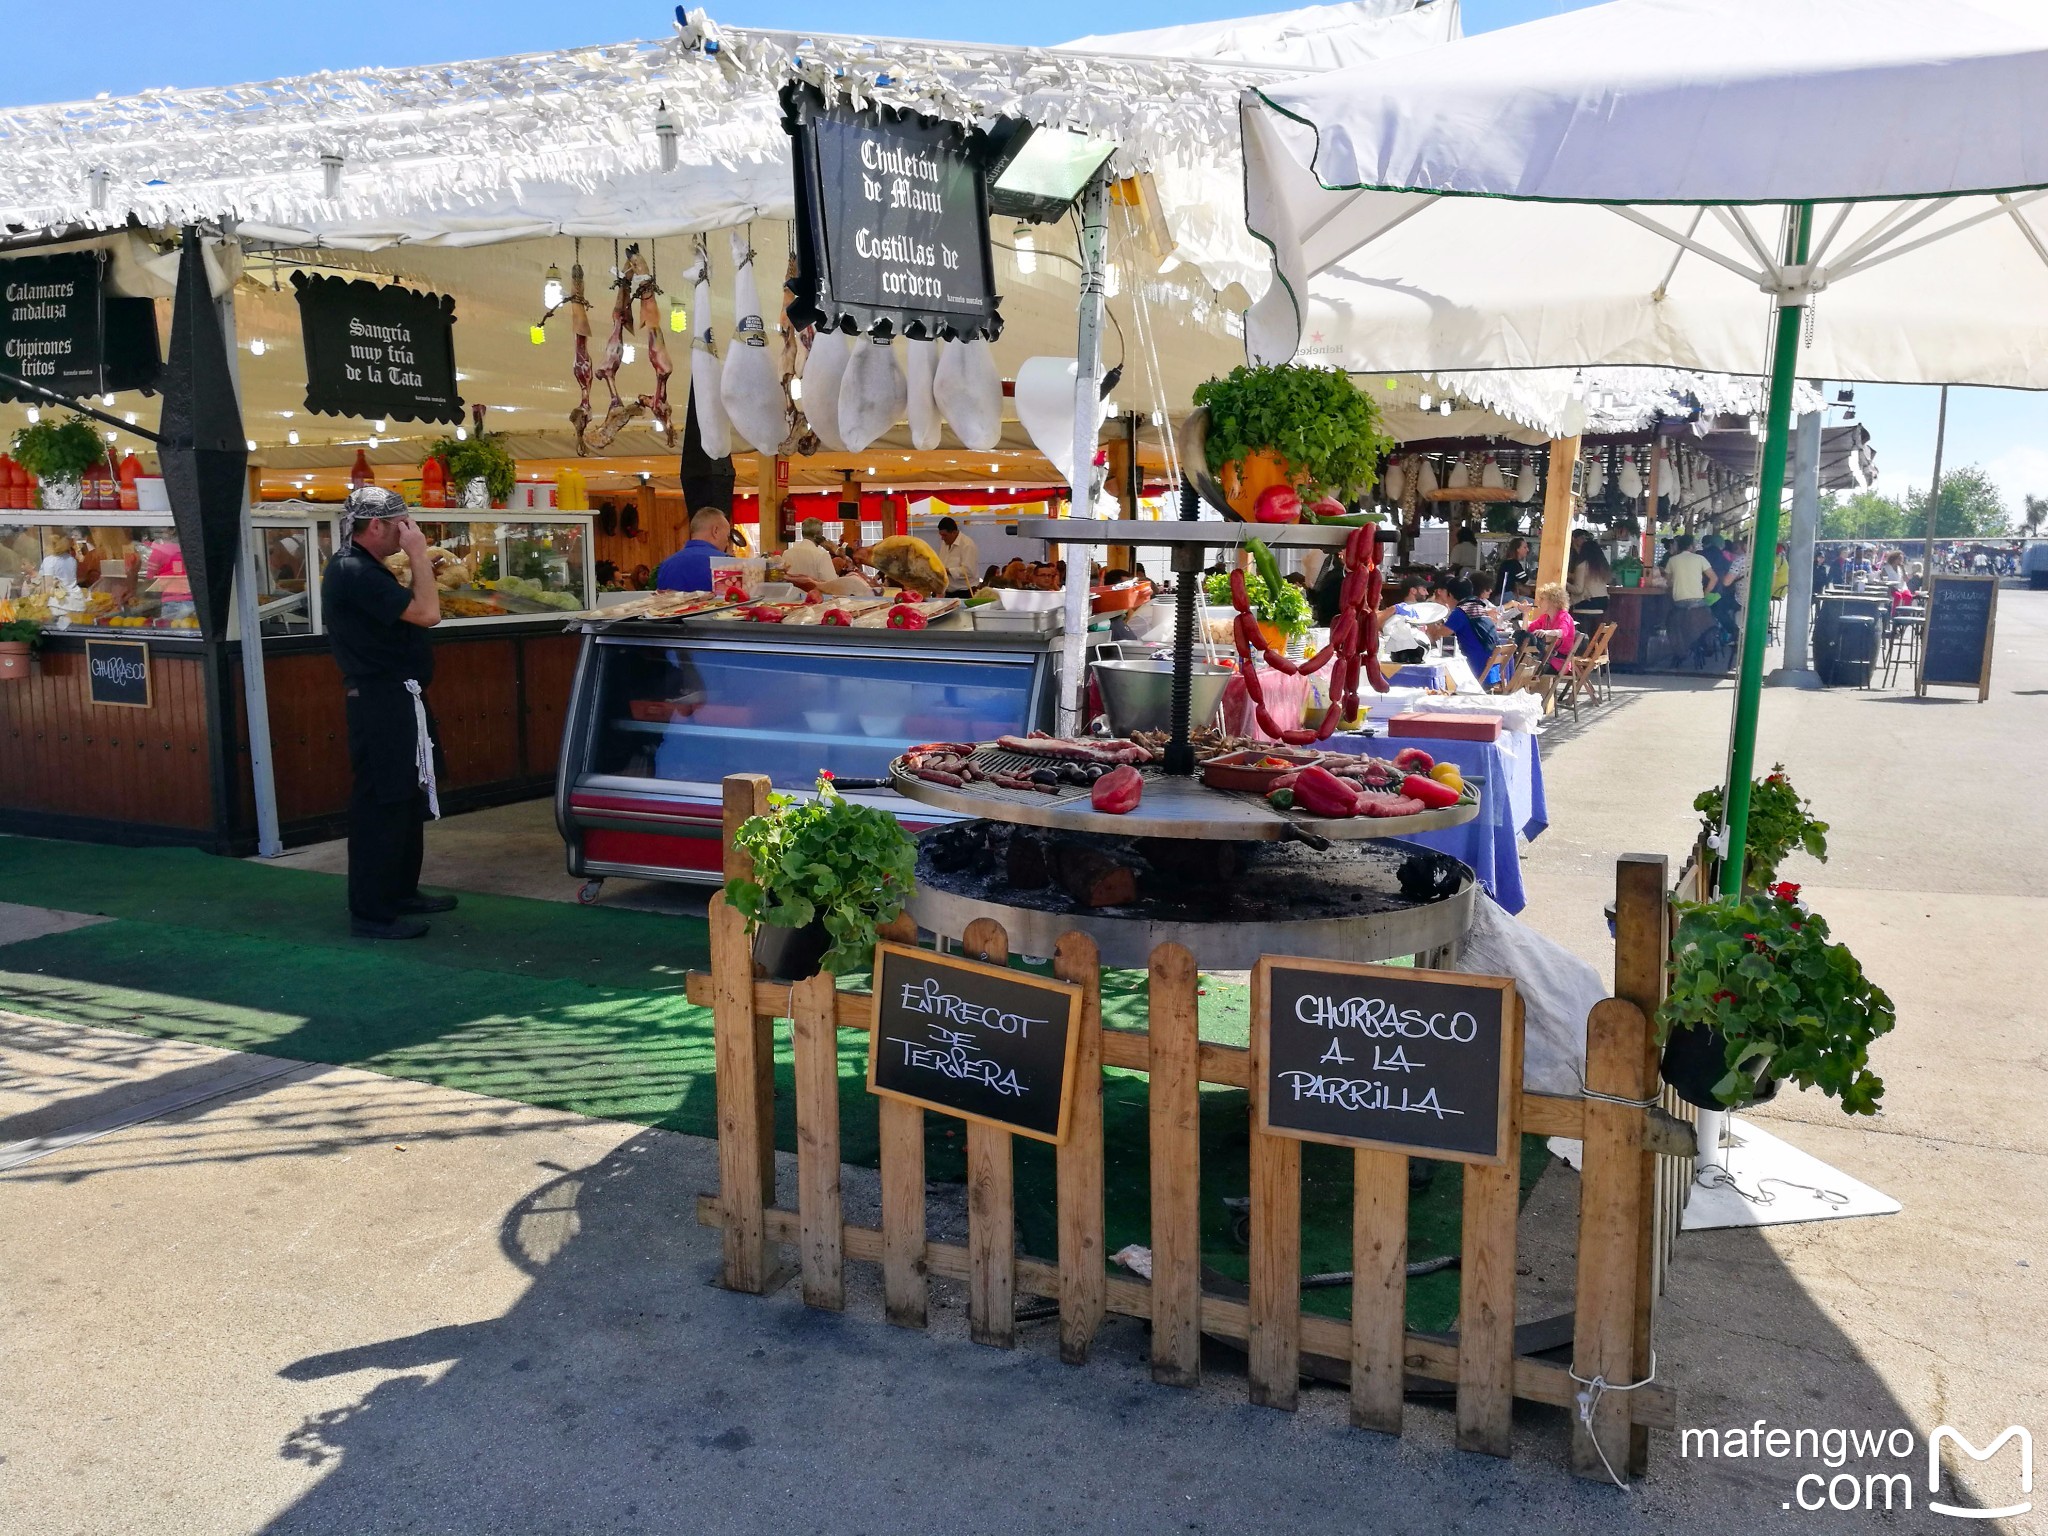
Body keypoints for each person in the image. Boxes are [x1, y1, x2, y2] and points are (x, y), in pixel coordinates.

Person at [321, 486, 453, 941]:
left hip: (398, 697)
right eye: (402, 524)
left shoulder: (364, 566)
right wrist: (418, 554)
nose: (408, 531)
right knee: (382, 803)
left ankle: (399, 892)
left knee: (406, 798)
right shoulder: (353, 570)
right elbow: (429, 613)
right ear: (375, 525)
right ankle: (371, 912)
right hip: (380, 702)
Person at [654, 506, 731, 592]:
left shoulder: (666, 565)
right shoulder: (727, 564)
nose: (727, 543)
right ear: (715, 531)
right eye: (727, 536)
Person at [1527, 581, 1577, 673]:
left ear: (1553, 601)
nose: (1539, 602)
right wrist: (1525, 613)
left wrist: (1546, 632)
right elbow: (1528, 629)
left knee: (1524, 669)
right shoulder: (1545, 618)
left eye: (1542, 599)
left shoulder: (1564, 616)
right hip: (1545, 659)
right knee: (1519, 663)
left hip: (1558, 663)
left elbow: (1562, 632)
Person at [779, 517, 838, 587]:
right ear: (817, 536)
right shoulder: (822, 555)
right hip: (815, 592)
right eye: (822, 534)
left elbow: (782, 579)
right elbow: (831, 584)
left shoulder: (787, 553)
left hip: (792, 593)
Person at [1663, 534, 1717, 609]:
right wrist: (1704, 594)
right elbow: (1714, 578)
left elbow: (1667, 580)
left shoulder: (1672, 560)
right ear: (1691, 546)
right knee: (1710, 614)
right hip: (1697, 600)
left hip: (1679, 600)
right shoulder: (1700, 559)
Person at [1567, 541, 1612, 624]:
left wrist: (1564, 584)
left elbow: (1578, 589)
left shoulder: (1582, 565)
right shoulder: (1602, 566)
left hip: (1588, 602)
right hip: (1603, 602)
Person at [934, 516, 979, 596]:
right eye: (941, 535)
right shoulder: (944, 544)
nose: (942, 538)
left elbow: (969, 571)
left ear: (954, 532)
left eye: (945, 535)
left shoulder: (967, 545)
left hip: (966, 592)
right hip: (948, 592)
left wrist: (948, 571)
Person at [1493, 536, 1531, 603]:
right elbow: (1526, 581)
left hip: (1499, 596)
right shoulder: (1514, 564)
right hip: (1506, 596)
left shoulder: (1507, 562)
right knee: (1534, 603)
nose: (1527, 550)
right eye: (1525, 547)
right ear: (1517, 549)